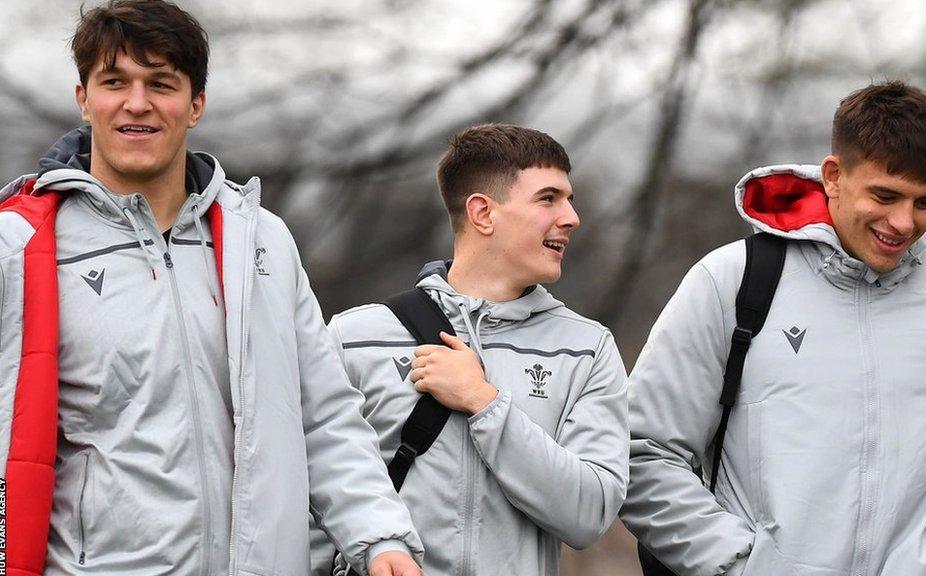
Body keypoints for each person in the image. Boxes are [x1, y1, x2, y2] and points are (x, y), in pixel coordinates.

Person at [0, 1, 422, 575]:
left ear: (195, 104)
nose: (137, 103)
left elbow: (321, 415)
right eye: (114, 81)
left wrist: (380, 537)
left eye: (161, 83)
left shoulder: (262, 241)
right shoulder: (18, 247)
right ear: (83, 99)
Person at [620, 81, 926, 575]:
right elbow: (645, 451)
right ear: (833, 175)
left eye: (924, 201)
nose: (903, 221)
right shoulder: (733, 282)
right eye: (885, 195)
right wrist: (742, 566)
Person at [320, 124, 629, 576]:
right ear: (483, 213)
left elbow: (588, 515)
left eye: (569, 198)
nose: (571, 217)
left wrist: (484, 403)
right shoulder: (355, 337)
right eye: (548, 198)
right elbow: (310, 494)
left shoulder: (586, 349)